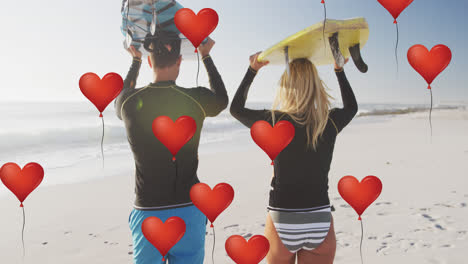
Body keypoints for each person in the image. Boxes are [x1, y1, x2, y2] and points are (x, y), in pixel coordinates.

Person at [230, 51, 357, 264]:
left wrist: (252, 70)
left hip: (283, 218)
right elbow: (351, 107)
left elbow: (236, 109)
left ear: (285, 86)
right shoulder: (329, 121)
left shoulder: (274, 121)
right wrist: (339, 70)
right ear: (315, 85)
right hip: (319, 219)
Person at [115, 30, 228, 264]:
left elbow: (121, 95)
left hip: (148, 212)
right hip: (188, 210)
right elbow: (221, 100)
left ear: (149, 61)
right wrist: (206, 56)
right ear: (179, 60)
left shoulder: (128, 103)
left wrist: (134, 61)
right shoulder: (195, 99)